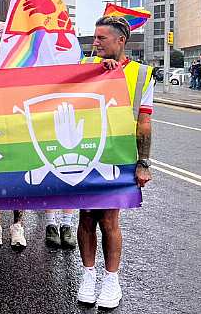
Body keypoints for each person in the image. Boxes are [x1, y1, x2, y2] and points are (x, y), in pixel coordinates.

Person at [78, 16, 153, 308]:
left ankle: (111, 280)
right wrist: (99, 71)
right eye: (94, 38)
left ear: (121, 41)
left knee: (109, 220)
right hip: (86, 153)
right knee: (86, 217)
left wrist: (143, 162)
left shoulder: (142, 74)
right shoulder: (85, 66)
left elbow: (144, 122)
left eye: (101, 39)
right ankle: (88, 276)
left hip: (118, 157)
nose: (95, 43)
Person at [0, 22, 27, 249]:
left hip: (18, 131)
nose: (2, 47)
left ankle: (17, 226)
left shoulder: (23, 66)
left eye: (6, 42)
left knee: (18, 180)